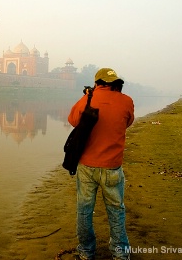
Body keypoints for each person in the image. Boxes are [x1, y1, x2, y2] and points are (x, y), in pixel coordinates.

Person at [68, 68, 134, 260]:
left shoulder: (89, 98)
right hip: (112, 166)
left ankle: (86, 251)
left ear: (97, 83)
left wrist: (89, 96)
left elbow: (73, 120)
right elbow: (127, 122)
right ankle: (120, 253)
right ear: (115, 83)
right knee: (116, 210)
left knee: (84, 210)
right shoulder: (126, 101)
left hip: (87, 165)